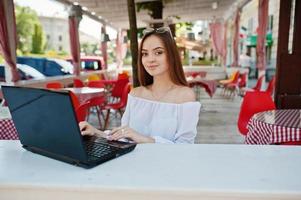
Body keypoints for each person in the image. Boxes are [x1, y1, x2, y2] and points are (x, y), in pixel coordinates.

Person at [80, 26, 201, 144]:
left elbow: (185, 146)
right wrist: (96, 132)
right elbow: (123, 136)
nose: (150, 59)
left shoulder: (185, 96)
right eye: (145, 54)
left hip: (167, 164)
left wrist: (143, 139)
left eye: (158, 52)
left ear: (172, 55)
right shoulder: (135, 94)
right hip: (132, 162)